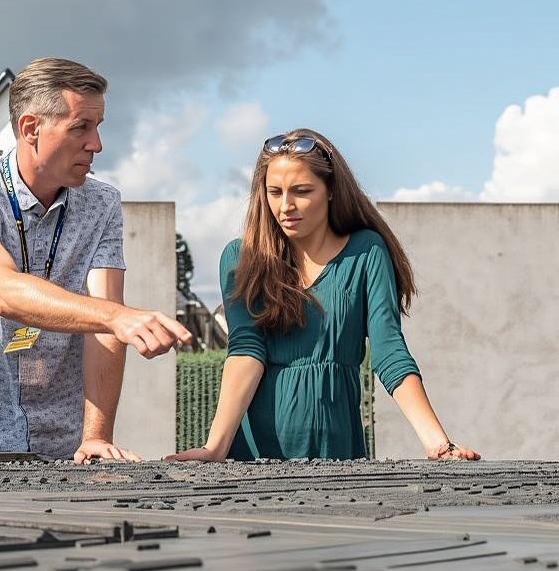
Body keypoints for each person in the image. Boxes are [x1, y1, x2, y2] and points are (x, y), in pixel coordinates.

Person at [0, 57, 191, 462]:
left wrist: (96, 436)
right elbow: (3, 291)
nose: (96, 144)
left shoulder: (103, 203)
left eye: (97, 126)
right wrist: (116, 316)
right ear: (31, 129)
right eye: (81, 127)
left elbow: (104, 326)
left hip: (61, 441)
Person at [167, 129, 478, 462]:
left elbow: (389, 351)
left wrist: (438, 443)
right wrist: (215, 447)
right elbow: (246, 351)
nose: (285, 206)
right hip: (253, 457)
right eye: (274, 192)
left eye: (301, 191)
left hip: (338, 453)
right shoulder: (241, 258)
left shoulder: (366, 252)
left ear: (330, 190)